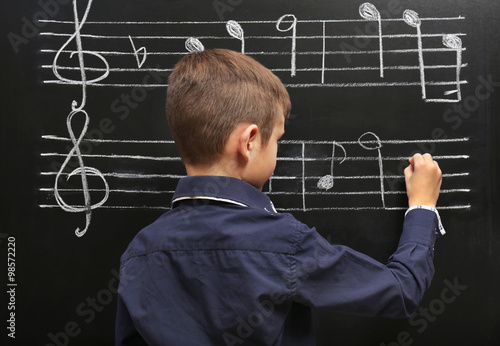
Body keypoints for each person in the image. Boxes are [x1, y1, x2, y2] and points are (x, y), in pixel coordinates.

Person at [115, 49, 444, 345]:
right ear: (250, 142)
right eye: (277, 141)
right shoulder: (283, 244)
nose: (278, 152)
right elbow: (402, 291)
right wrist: (422, 206)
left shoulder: (139, 251)